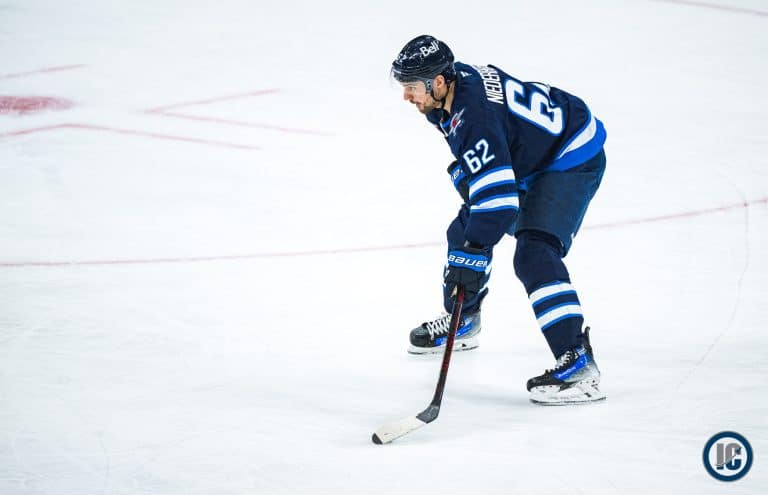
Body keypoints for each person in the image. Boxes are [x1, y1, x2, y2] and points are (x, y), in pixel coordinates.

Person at [391, 35, 607, 405]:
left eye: (411, 86)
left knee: (534, 254)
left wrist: (474, 254)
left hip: (570, 155)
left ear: (438, 81)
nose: (406, 96)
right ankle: (464, 320)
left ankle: (578, 365)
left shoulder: (473, 115)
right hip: (533, 151)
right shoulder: (448, 94)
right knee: (463, 230)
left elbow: (501, 203)